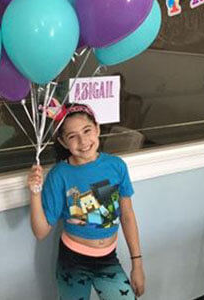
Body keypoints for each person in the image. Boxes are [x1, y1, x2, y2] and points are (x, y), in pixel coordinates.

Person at [27, 103, 145, 299]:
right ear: (64, 142)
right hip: (72, 262)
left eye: (87, 130)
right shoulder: (59, 175)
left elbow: (128, 217)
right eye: (72, 136)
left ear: (97, 128)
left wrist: (137, 264)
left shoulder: (116, 166)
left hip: (108, 258)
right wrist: (34, 192)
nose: (83, 141)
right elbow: (40, 232)